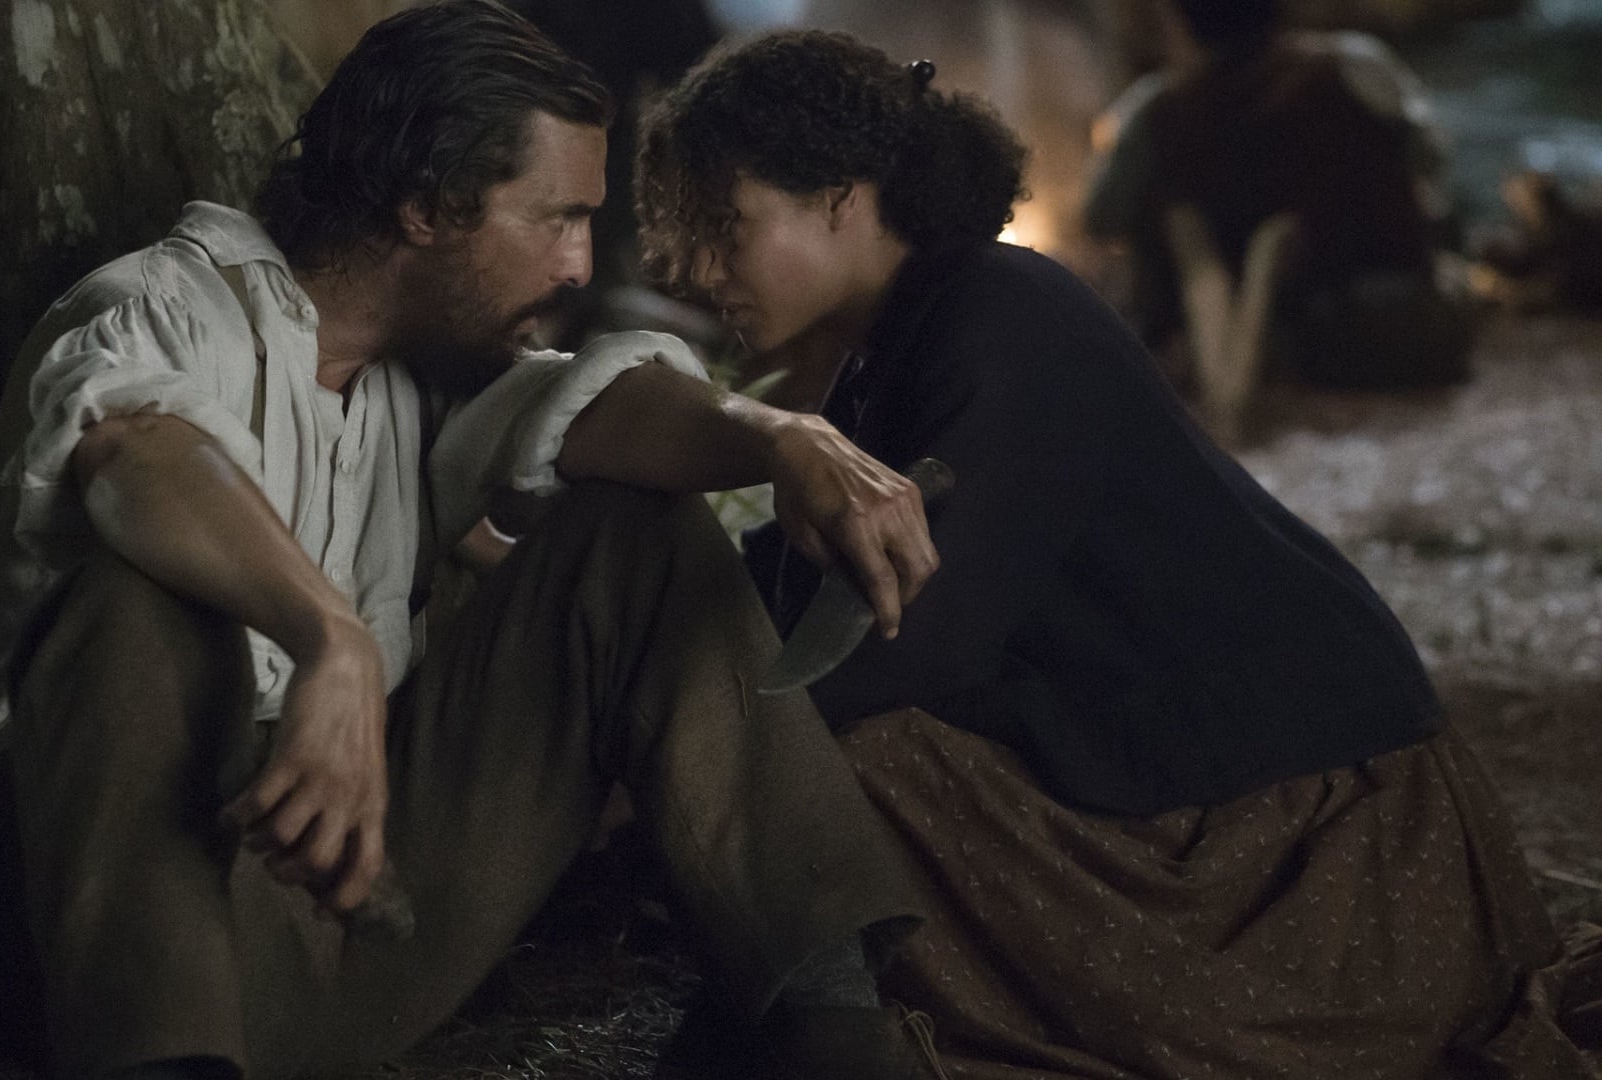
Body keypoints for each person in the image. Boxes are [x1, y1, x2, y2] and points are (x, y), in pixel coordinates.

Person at [0, 4, 953, 1078]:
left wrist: (782, 438)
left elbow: (598, 405)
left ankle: (835, 1033)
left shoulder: (421, 380)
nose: (579, 263)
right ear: (426, 205)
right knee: (132, 599)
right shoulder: (160, 310)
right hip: (104, 950)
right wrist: (331, 637)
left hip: (346, 916)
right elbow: (135, 454)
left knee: (636, 537)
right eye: (556, 218)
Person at [636, 28, 1602, 1079]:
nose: (694, 270)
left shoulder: (1001, 315)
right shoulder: (897, 339)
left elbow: (919, 637)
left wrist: (691, 742)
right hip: (1171, 761)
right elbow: (807, 580)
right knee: (820, 744)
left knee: (865, 760)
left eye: (724, 226)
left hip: (1308, 824)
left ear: (839, 196)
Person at [1084, 0, 1473, 391]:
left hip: (1256, 346)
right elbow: (1430, 158)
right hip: (1393, 325)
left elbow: (1102, 215)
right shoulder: (1356, 64)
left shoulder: (1156, 110)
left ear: (1182, 21)